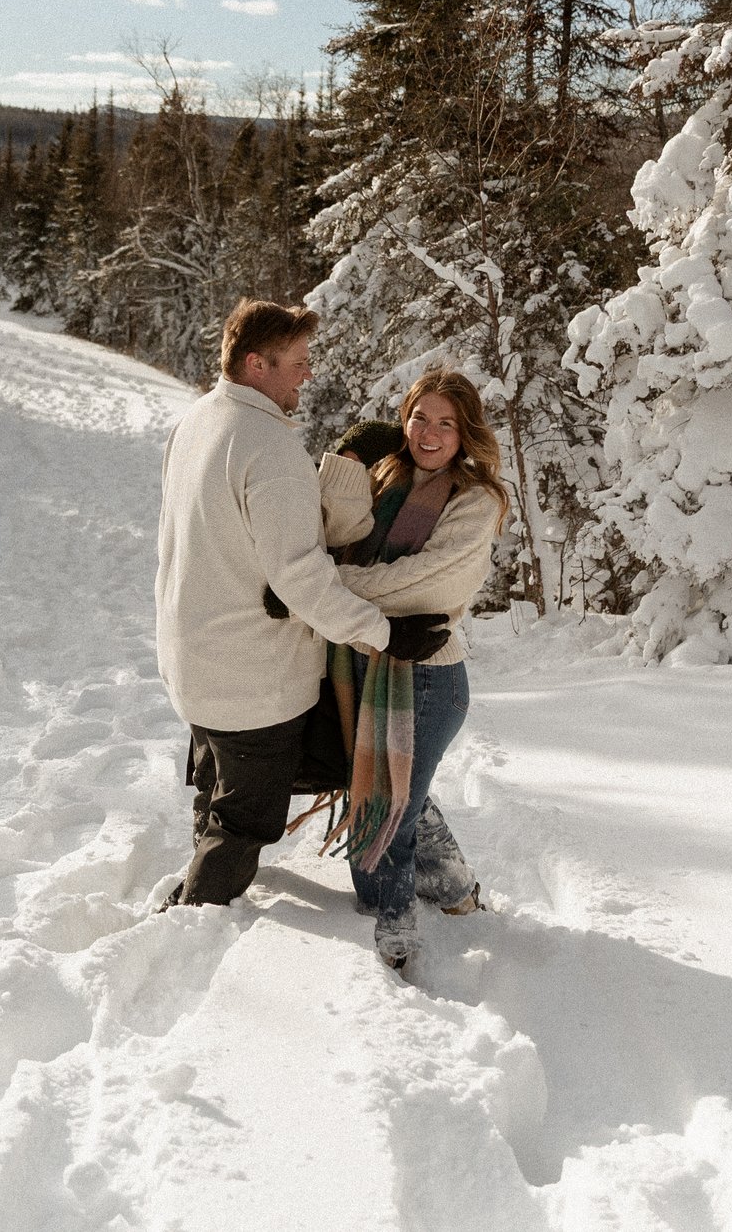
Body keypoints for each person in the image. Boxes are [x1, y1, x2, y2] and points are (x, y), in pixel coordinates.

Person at [155, 300, 450, 908]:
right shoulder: (269, 447)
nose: (307, 374)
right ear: (256, 363)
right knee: (245, 819)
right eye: (296, 362)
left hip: (196, 655)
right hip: (253, 675)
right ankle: (193, 918)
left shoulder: (197, 421)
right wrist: (384, 634)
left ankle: (197, 887)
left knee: (218, 787)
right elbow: (301, 576)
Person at [327, 370, 507, 969]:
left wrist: (331, 588)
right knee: (398, 790)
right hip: (363, 666)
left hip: (426, 679)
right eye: (418, 418)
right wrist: (350, 454)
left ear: (466, 432)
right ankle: (454, 889)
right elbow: (325, 529)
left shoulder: (475, 501)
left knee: (383, 806)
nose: (429, 433)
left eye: (445, 422)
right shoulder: (386, 478)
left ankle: (391, 932)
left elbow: (422, 586)